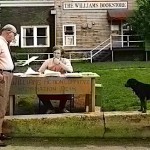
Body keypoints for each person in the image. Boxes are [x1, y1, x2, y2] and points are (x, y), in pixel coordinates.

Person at [37, 45, 73, 114]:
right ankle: (50, 108)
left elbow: (70, 70)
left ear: (61, 54)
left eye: (58, 53)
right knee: (40, 92)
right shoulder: (48, 61)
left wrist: (60, 63)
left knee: (68, 90)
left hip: (62, 84)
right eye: (55, 53)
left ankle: (62, 107)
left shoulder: (65, 61)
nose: (56, 55)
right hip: (49, 84)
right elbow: (40, 71)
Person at [0, 24, 17, 147]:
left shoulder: (4, 43)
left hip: (7, 74)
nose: (14, 37)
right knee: (0, 105)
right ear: (8, 32)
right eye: (14, 34)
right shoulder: (0, 42)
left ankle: (0, 132)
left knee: (3, 105)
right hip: (2, 76)